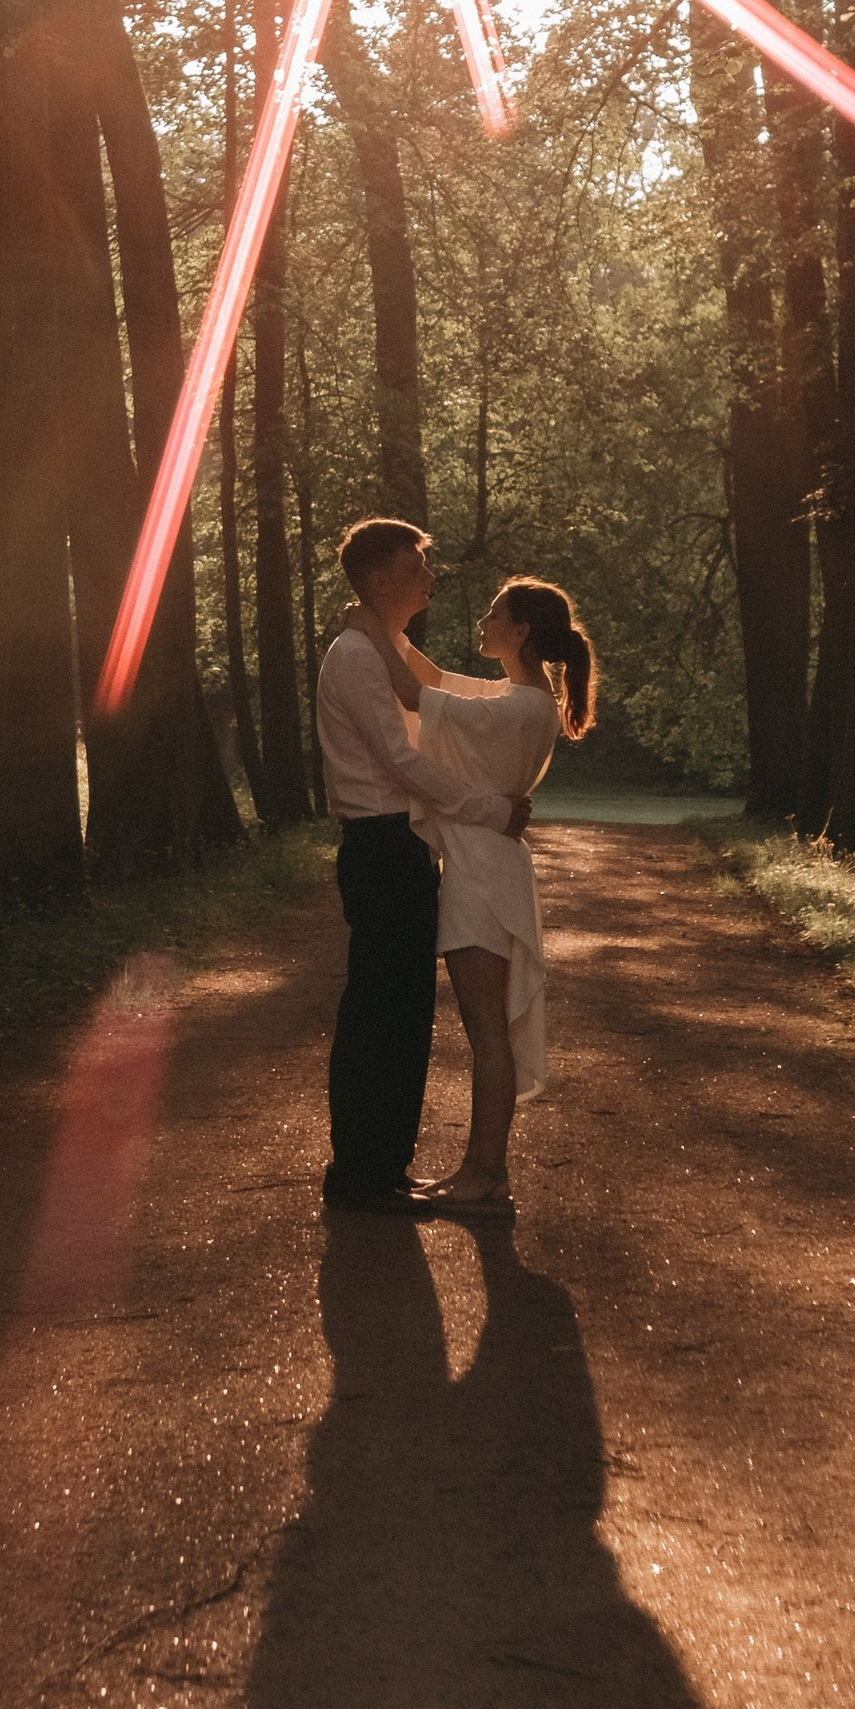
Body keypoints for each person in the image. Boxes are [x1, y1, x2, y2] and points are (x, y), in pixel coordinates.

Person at [314, 518, 535, 1215]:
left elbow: (450, 697)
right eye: (417, 568)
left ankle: (384, 1166)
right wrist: (490, 809)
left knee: (404, 1012)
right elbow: (399, 761)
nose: (430, 579)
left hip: (404, 845)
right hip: (380, 842)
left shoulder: (389, 648)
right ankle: (360, 1173)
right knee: (380, 1009)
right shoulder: (354, 655)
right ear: (381, 579)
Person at [367, 575, 597, 1218]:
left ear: (520, 631)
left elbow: (416, 693)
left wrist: (367, 633)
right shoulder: (516, 698)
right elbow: (435, 680)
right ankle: (481, 1171)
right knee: (485, 1033)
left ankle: (485, 1174)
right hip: (487, 864)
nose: (483, 620)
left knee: (486, 1034)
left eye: (494, 612)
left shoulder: (521, 708)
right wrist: (385, 626)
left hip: (483, 875)